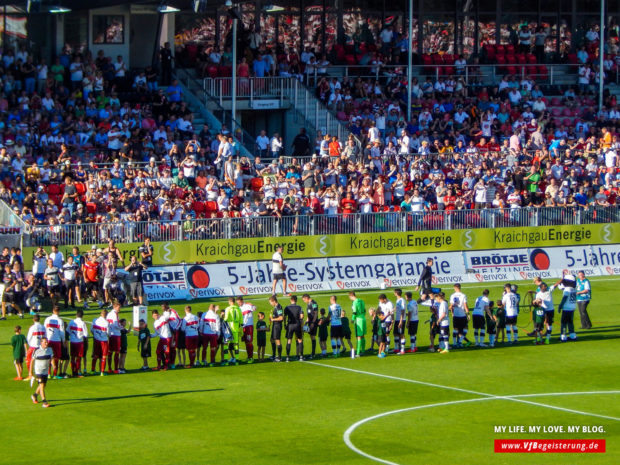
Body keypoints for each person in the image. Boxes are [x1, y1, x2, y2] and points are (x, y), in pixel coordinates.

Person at [29, 337, 53, 408]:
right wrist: (30, 372)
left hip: (45, 370)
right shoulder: (36, 350)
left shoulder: (50, 349)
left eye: (47, 342)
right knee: (42, 385)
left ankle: (34, 395)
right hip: (38, 370)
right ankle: (44, 402)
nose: (46, 343)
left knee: (43, 385)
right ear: (41, 343)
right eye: (45, 342)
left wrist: (53, 364)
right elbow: (32, 361)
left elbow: (51, 358)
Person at [43, 306, 65, 378]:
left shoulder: (47, 319)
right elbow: (62, 332)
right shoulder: (60, 320)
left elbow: (44, 329)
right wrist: (63, 341)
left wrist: (45, 339)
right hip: (57, 341)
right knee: (56, 357)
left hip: (48, 340)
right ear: (58, 312)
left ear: (53, 311)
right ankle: (55, 374)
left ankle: (48, 374)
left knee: (49, 356)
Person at [68, 309, 89, 377]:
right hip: (79, 342)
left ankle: (73, 372)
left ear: (76, 315)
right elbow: (86, 334)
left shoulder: (71, 322)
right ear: (82, 316)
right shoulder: (82, 323)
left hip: (72, 342)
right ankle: (77, 372)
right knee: (78, 357)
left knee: (72, 357)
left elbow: (67, 331)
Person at [449, 283, 471, 347]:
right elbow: (465, 305)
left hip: (455, 315)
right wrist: (468, 314)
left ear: (455, 288)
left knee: (455, 329)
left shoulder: (452, 295)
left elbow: (451, 306)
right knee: (465, 329)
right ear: (460, 287)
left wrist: (452, 313)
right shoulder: (463, 295)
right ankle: (460, 342)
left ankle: (454, 343)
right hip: (462, 315)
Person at [284, 295, 304, 362]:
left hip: (290, 325)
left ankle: (287, 357)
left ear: (291, 300)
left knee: (289, 341)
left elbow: (284, 317)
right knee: (300, 340)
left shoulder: (287, 307)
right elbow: (301, 316)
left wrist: (285, 324)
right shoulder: (299, 307)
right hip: (297, 325)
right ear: (296, 300)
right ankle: (301, 357)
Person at [557, 274, 578, 342]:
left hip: (566, 308)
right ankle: (572, 335)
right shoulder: (574, 289)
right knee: (570, 322)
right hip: (572, 307)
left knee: (563, 323)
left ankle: (563, 336)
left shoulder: (567, 289)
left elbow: (565, 298)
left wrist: (560, 306)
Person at [237, 296, 256, 363]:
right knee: (245, 342)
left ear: (242, 301)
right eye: (237, 303)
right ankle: (249, 357)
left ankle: (251, 358)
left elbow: (255, 308)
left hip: (249, 326)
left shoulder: (248, 306)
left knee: (249, 342)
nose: (238, 304)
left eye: (239, 302)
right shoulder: (239, 308)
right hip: (243, 327)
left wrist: (252, 305)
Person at [224, 297, 243, 364]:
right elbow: (241, 320)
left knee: (226, 344)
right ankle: (237, 360)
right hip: (236, 328)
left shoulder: (228, 309)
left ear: (229, 302)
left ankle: (226, 360)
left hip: (229, 328)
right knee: (236, 344)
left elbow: (226, 318)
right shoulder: (238, 309)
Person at [91, 308, 110, 375]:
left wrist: (96, 335)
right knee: (104, 356)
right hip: (104, 341)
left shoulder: (95, 320)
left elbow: (91, 330)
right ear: (106, 315)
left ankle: (93, 370)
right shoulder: (106, 323)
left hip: (96, 340)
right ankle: (102, 371)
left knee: (95, 355)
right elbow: (108, 333)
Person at [106, 302, 122, 374]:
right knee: (116, 352)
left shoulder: (109, 314)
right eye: (119, 307)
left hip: (110, 335)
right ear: (115, 307)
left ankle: (109, 368)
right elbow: (116, 324)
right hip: (116, 335)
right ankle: (116, 369)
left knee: (110, 352)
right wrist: (122, 328)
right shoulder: (115, 314)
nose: (120, 309)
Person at [349, 291, 366, 357]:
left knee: (358, 336)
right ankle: (363, 350)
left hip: (358, 320)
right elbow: (364, 310)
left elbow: (355, 312)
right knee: (362, 335)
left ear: (351, 296)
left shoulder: (355, 302)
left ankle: (358, 352)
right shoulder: (361, 301)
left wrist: (353, 319)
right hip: (363, 318)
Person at [302, 294, 319, 359]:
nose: (304, 301)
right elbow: (309, 315)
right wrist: (306, 322)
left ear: (306, 298)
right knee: (311, 337)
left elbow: (316, 313)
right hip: (310, 323)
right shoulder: (308, 304)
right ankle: (312, 353)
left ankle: (313, 354)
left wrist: (313, 322)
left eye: (304, 300)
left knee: (313, 337)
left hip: (313, 323)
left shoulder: (314, 303)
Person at [269, 295, 284, 362]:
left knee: (277, 340)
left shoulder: (278, 307)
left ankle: (279, 357)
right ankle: (274, 355)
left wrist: (273, 319)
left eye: (270, 302)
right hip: (274, 325)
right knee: (272, 339)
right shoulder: (275, 307)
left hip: (277, 326)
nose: (270, 304)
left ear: (274, 301)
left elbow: (281, 318)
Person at [393, 289, 407, 354]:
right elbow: (397, 307)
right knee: (395, 333)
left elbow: (403, 311)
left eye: (394, 292)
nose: (394, 293)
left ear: (396, 293)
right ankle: (396, 348)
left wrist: (401, 321)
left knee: (401, 334)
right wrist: (393, 310)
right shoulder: (398, 300)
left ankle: (402, 350)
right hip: (397, 319)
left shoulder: (402, 300)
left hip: (401, 320)